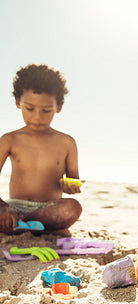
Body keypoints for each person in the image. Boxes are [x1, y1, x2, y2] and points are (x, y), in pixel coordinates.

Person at [0, 64, 82, 236]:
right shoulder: (10, 140)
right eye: (29, 108)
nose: (37, 116)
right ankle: (39, 227)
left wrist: (71, 186)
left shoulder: (67, 142)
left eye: (46, 110)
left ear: (58, 107)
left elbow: (73, 180)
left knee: (72, 207)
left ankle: (25, 224)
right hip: (13, 206)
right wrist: (4, 209)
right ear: (18, 103)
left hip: (48, 208)